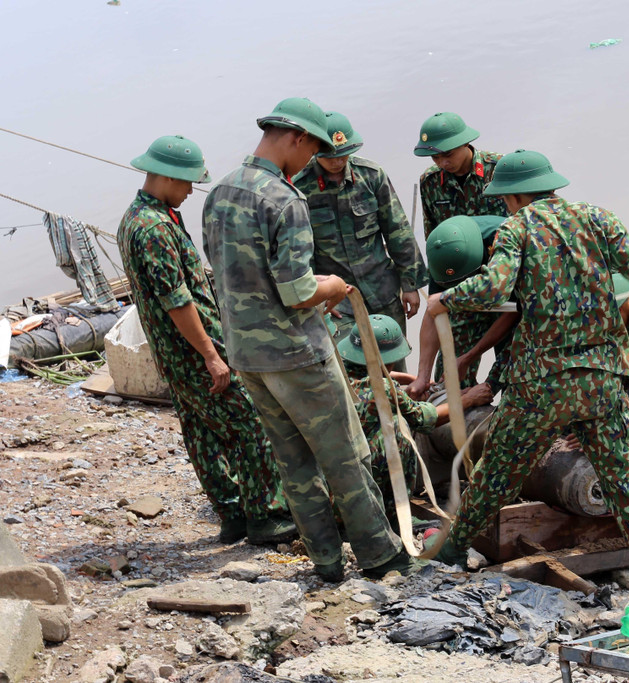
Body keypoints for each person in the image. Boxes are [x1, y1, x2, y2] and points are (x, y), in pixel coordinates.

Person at [425, 149, 629, 610]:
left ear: (513, 197)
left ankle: (449, 551)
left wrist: (444, 299)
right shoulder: (599, 219)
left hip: (541, 384)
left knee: (496, 474)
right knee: (624, 482)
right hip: (603, 380)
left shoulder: (517, 228)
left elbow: (493, 287)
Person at [201, 98, 420, 581]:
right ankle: (380, 556)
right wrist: (334, 287)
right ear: (297, 138)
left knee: (292, 461)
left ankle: (324, 560)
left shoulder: (220, 192)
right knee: (345, 456)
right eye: (313, 149)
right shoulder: (285, 199)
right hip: (297, 354)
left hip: (247, 355)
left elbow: (232, 272)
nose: (312, 161)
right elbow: (297, 291)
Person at [118, 135, 294, 545]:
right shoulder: (155, 228)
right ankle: (265, 517)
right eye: (185, 183)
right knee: (249, 425)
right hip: (194, 351)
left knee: (202, 432)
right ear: (164, 177)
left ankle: (231, 514)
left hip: (172, 353)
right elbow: (178, 302)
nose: (190, 191)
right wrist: (213, 356)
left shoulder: (137, 217)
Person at [292, 112, 428, 359]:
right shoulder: (299, 189)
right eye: (330, 156)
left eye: (343, 154)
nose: (337, 162)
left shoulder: (371, 176)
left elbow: (397, 230)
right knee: (354, 367)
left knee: (394, 363)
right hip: (338, 301)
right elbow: (302, 251)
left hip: (383, 290)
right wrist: (315, 297)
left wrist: (410, 284)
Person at [336, 314, 493, 524]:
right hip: (360, 468)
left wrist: (415, 379)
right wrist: (469, 400)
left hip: (335, 465)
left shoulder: (338, 370)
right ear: (389, 359)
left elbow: (380, 375)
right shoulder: (382, 390)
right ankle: (393, 513)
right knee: (399, 435)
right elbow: (425, 418)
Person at [407, 215, 519, 400]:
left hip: (506, 299)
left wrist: (470, 357)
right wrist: (422, 376)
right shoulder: (443, 252)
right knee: (450, 375)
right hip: (463, 298)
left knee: (514, 372)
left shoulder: (503, 244)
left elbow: (513, 311)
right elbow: (434, 310)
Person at [413, 112, 507, 238]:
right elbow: (433, 234)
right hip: (457, 254)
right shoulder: (430, 181)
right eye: (435, 157)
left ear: (465, 143)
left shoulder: (499, 169)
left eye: (448, 154)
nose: (443, 163)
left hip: (502, 251)